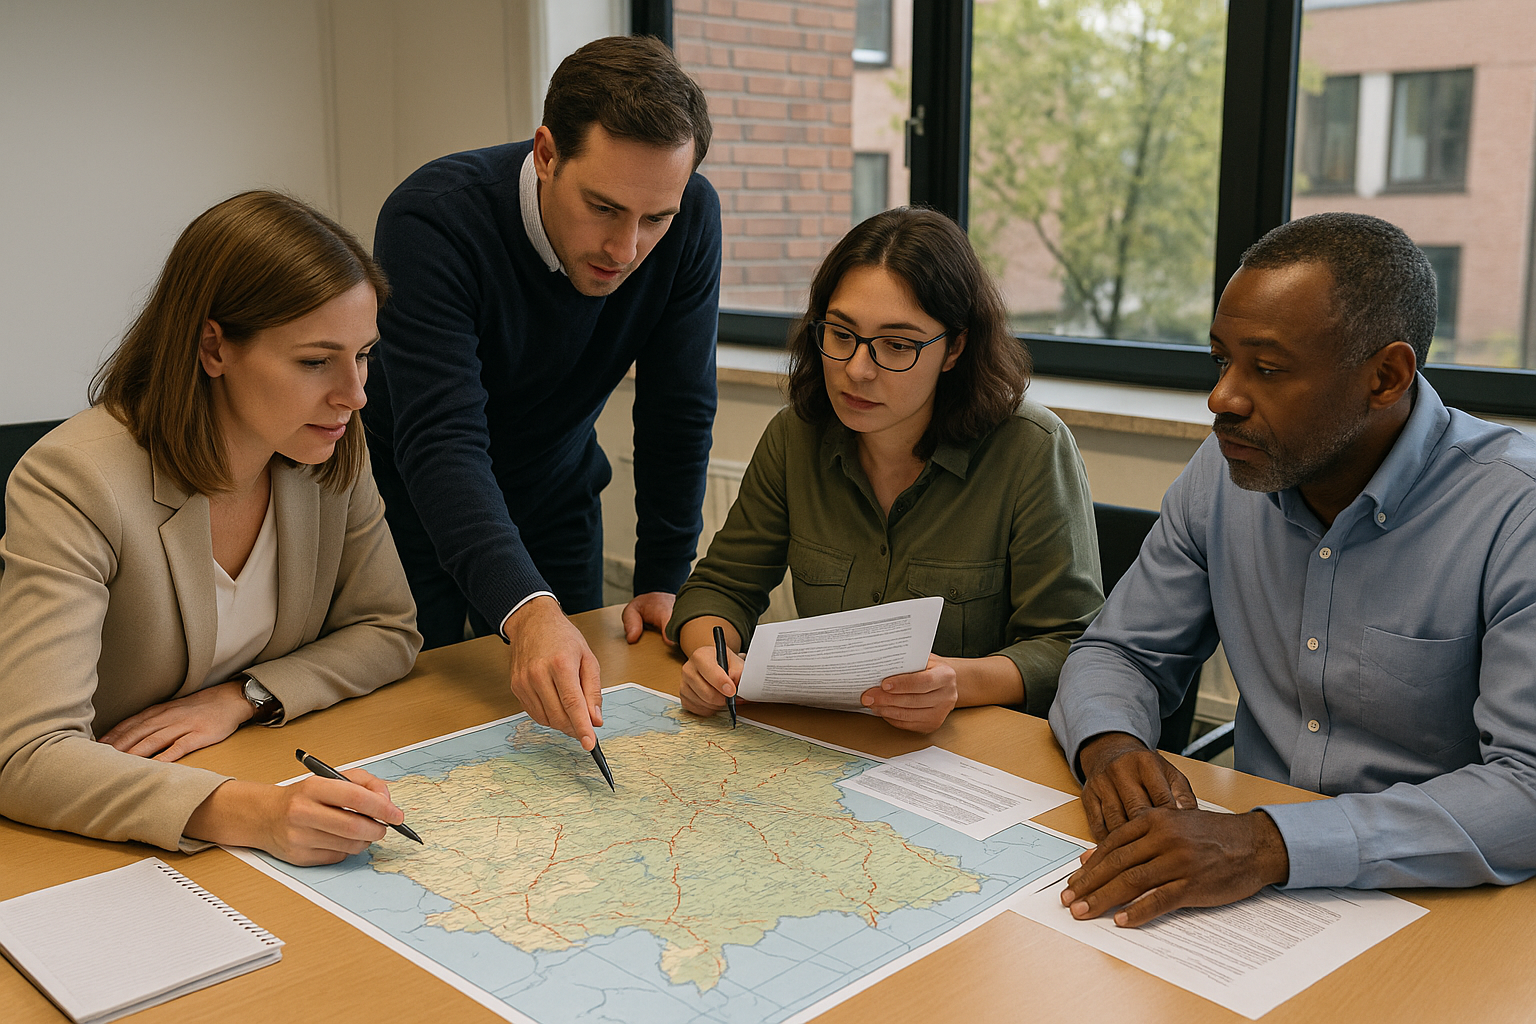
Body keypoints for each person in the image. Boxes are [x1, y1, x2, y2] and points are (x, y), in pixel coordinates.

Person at [1049, 212, 1536, 927]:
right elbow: (1120, 651)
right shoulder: (1222, 473)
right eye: (1221, 361)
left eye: (1268, 370)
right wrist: (1110, 742)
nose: (1223, 399)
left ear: (1386, 377)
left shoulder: (1514, 515)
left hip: (1443, 903)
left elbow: (1527, 789)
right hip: (1246, 897)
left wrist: (1269, 844)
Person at [0, 191, 423, 866]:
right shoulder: (73, 480)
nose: (355, 393)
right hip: (106, 835)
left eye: (363, 354)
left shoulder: (331, 442)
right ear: (213, 347)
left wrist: (244, 697)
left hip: (244, 754)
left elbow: (388, 629)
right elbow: (28, 756)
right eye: (316, 361)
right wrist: (254, 810)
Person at [363, 35, 720, 756]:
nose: (627, 248)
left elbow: (677, 407)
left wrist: (661, 577)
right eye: (604, 207)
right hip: (412, 507)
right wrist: (525, 612)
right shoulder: (432, 220)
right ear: (547, 153)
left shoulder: (692, 219)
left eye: (656, 218)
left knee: (566, 728)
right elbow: (441, 441)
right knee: (418, 729)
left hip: (556, 494)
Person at [667, 208, 1104, 732]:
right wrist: (709, 656)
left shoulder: (1030, 450)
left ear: (954, 349)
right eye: (841, 334)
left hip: (972, 755)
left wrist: (958, 682)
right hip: (833, 743)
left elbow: (1070, 644)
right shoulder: (795, 436)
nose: (856, 369)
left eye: (896, 345)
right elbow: (721, 588)